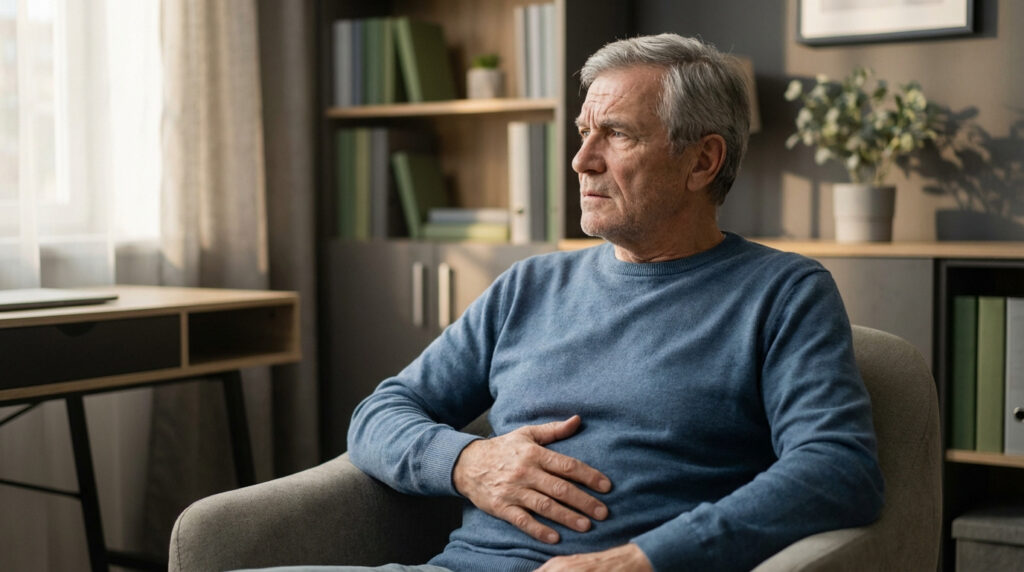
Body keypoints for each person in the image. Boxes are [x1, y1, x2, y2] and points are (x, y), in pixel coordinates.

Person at [347, 34, 884, 572]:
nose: (582, 160)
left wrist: (639, 561)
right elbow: (378, 415)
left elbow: (838, 469)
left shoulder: (783, 293)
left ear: (702, 161)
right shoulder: (528, 285)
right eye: (584, 133)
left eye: (617, 134)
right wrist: (467, 461)